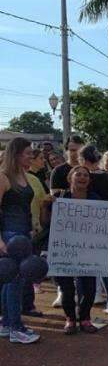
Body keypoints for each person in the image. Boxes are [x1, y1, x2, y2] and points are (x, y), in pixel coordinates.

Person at [0, 137, 40, 344]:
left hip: (23, 234)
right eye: (28, 153)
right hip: (9, 235)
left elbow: (25, 207)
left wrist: (32, 227)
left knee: (12, 280)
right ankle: (16, 327)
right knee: (15, 281)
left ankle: (7, 323)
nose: (31, 156)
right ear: (16, 154)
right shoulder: (3, 177)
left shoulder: (24, 175)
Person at [54, 166, 99, 334]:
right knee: (66, 287)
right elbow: (46, 222)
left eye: (85, 175)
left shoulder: (95, 200)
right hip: (64, 249)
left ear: (89, 180)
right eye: (78, 174)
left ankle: (85, 318)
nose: (82, 177)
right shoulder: (59, 197)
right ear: (70, 178)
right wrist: (46, 206)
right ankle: (70, 319)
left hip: (88, 250)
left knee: (89, 287)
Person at [79, 145, 108, 316]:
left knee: (81, 267)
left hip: (86, 226)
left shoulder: (80, 177)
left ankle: (82, 307)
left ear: (82, 159)